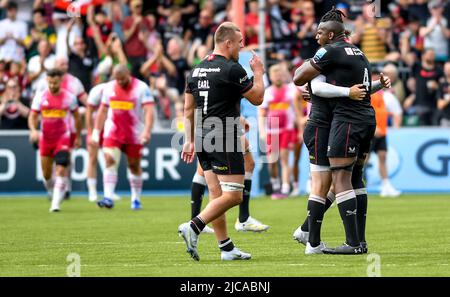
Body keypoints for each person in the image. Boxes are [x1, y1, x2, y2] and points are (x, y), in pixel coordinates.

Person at [293, 8, 386, 255]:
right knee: (352, 178)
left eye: (320, 33)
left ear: (332, 35)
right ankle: (343, 239)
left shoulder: (328, 53)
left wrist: (317, 86)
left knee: (332, 182)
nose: (316, 37)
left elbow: (299, 78)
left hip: (343, 121)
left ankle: (332, 242)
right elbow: (353, 87)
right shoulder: (357, 51)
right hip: (364, 118)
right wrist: (374, 85)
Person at [178, 22, 265, 261]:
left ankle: (226, 248)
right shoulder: (231, 69)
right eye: (239, 42)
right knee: (234, 196)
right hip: (224, 136)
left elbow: (188, 109)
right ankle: (193, 226)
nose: (242, 46)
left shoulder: (196, 70)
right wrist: (258, 72)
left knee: (217, 196)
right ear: (228, 43)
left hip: (203, 137)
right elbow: (257, 98)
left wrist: (189, 140)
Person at [91, 65, 154, 210]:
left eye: (123, 79)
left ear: (129, 74)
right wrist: (96, 131)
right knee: (109, 160)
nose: (120, 82)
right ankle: (108, 197)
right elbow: (102, 110)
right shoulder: (109, 88)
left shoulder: (141, 88)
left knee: (134, 165)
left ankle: (136, 199)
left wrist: (147, 131)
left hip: (134, 133)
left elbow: (149, 111)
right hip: (112, 131)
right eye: (117, 79)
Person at [190, 119, 269, 234]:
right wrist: (240, 119)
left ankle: (195, 219)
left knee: (203, 170)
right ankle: (242, 219)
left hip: (208, 123)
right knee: (229, 190)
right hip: (224, 124)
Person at [28, 69, 81, 212]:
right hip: (46, 139)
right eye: (50, 82)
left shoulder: (69, 98)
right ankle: (53, 190)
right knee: (46, 174)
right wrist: (33, 130)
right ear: (47, 80)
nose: (52, 85)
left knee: (61, 169)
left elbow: (76, 118)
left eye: (55, 82)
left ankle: (55, 204)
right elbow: (32, 116)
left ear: (60, 81)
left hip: (63, 138)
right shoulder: (40, 97)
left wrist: (77, 137)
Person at [259, 63, 301, 199]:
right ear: (270, 77)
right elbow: (261, 114)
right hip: (272, 129)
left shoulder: (291, 90)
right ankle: (275, 184)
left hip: (286, 129)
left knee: (284, 159)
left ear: (284, 76)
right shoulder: (267, 92)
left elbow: (297, 108)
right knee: (272, 161)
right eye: (275, 75)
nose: (278, 77)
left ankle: (284, 188)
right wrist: (262, 131)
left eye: (280, 75)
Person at [369, 71, 402, 198]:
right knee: (363, 160)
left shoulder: (386, 95)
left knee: (383, 157)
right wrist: (372, 126)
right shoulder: (367, 95)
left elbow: (396, 112)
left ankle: (386, 185)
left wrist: (394, 127)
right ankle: (351, 186)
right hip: (370, 131)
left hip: (382, 132)